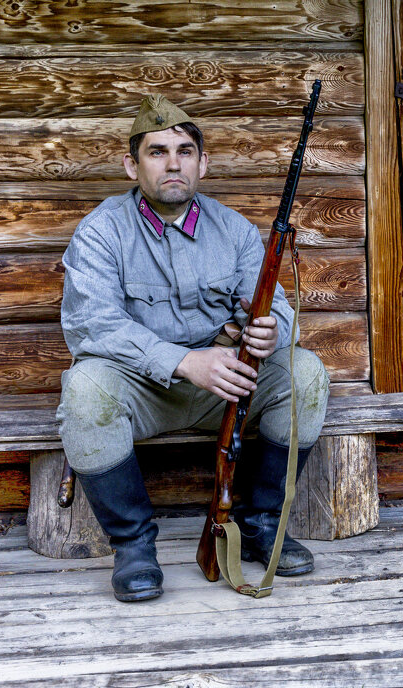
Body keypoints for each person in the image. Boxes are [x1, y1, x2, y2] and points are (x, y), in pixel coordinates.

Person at [56, 94, 330, 602]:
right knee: (85, 387)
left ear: (203, 163)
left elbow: (277, 309)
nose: (173, 162)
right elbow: (91, 324)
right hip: (143, 388)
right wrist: (182, 361)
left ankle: (261, 523)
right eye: (157, 151)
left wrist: (271, 332)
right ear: (131, 164)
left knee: (305, 373)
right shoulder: (102, 231)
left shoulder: (236, 230)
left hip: (223, 387)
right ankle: (133, 546)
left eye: (184, 150)